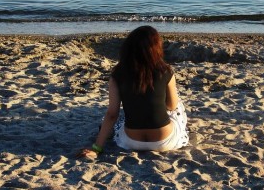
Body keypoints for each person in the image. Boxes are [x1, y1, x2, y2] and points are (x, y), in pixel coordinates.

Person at [78, 26, 189, 159]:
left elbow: (112, 114)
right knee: (178, 105)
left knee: (121, 118)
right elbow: (171, 106)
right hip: (164, 141)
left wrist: (96, 149)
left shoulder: (118, 74)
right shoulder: (165, 71)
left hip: (131, 141)